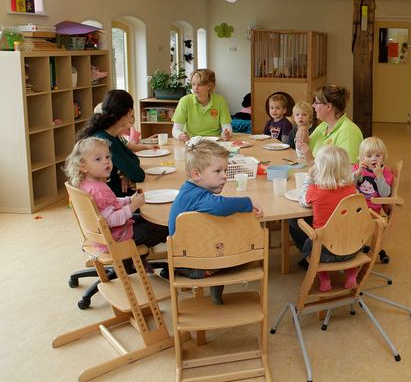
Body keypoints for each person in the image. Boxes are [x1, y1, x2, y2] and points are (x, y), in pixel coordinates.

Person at [168, 140, 263, 304]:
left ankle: (216, 291)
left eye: (225, 170)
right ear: (196, 174)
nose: (225, 175)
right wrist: (247, 202)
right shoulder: (199, 197)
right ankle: (216, 291)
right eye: (217, 171)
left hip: (186, 257)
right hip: (193, 264)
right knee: (238, 246)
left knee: (222, 236)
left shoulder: (188, 190)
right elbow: (220, 206)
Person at [64, 137, 168, 271]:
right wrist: (133, 206)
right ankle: (130, 262)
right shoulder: (99, 190)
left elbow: (111, 204)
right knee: (161, 227)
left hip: (102, 235)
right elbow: (111, 220)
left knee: (143, 217)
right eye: (98, 159)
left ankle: (135, 259)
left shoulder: (87, 184)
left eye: (108, 157)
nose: (106, 161)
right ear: (83, 167)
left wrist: (129, 200)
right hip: (116, 239)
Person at [292, 145, 359, 291]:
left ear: (319, 169)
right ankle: (351, 274)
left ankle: (324, 279)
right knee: (344, 233)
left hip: (324, 252)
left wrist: (309, 178)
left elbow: (302, 200)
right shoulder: (352, 190)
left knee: (311, 241)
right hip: (351, 248)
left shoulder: (316, 190)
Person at [77, 90, 145, 197]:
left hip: (105, 193)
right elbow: (139, 175)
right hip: (110, 198)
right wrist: (128, 172)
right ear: (129, 112)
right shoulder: (107, 141)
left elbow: (134, 159)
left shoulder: (105, 132)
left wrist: (124, 174)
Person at [296, 85, 363, 164]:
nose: (313, 105)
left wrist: (312, 161)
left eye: (316, 102)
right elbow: (303, 152)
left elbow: (347, 169)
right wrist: (302, 130)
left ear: (328, 106)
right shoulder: (324, 126)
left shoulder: (348, 132)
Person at [171, 69, 232, 141]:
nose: (195, 88)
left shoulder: (220, 101)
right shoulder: (185, 101)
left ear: (209, 86)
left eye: (199, 84)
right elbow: (175, 130)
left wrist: (227, 133)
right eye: (193, 84)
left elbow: (227, 127)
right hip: (191, 141)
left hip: (215, 141)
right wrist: (180, 135)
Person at [352, 136, 393, 214]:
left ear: (383, 158)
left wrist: (380, 176)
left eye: (378, 155)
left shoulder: (385, 172)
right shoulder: (357, 168)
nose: (373, 159)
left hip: (371, 210)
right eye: (369, 156)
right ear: (362, 158)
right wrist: (357, 173)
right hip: (354, 205)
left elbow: (385, 194)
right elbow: (349, 185)